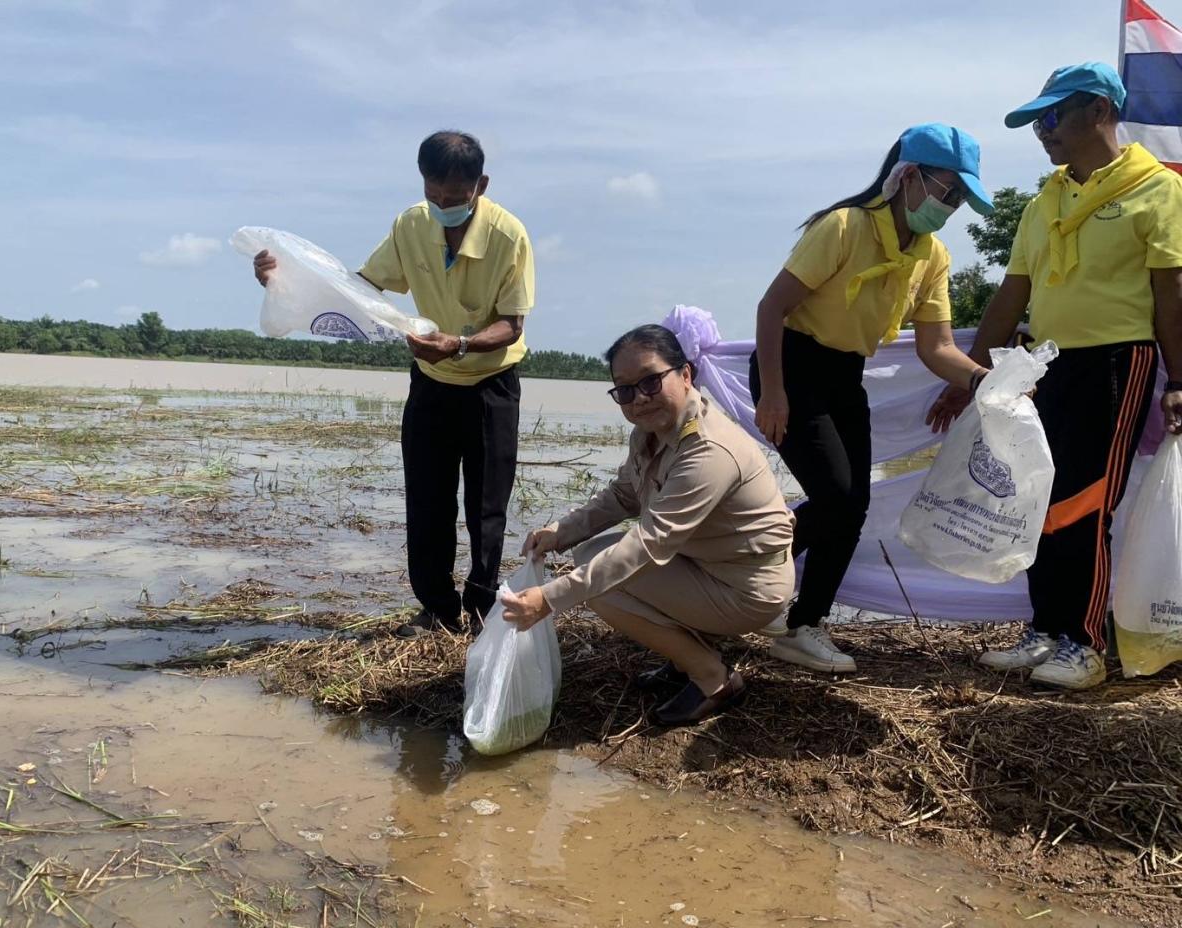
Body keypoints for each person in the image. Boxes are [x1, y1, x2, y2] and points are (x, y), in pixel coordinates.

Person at [928, 64, 1182, 689]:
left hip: (1116, 363)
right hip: (1043, 367)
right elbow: (1012, 295)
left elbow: (1170, 291)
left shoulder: (1159, 190)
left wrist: (1180, 378)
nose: (1042, 134)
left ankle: (1086, 644)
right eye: (1036, 123)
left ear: (1098, 112)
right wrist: (974, 375)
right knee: (1037, 499)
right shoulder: (1046, 199)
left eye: (1050, 118)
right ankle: (1045, 629)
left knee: (1086, 503)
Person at [254, 131, 535, 635]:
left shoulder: (508, 235)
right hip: (430, 382)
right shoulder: (411, 225)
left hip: (490, 384)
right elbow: (361, 287)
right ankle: (437, 609)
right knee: (427, 499)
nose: (444, 205)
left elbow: (512, 325)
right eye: (434, 193)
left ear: (481, 185)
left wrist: (461, 344)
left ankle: (481, 608)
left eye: (456, 196)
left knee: (486, 508)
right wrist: (286, 282)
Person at [750, 123, 996, 673]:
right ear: (908, 176)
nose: (952, 207)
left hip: (842, 374)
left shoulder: (932, 256)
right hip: (790, 362)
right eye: (948, 192)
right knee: (836, 497)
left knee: (851, 506)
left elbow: (938, 348)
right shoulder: (843, 227)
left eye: (961, 198)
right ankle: (749, 573)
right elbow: (772, 308)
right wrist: (773, 393)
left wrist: (983, 380)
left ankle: (800, 624)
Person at [500, 325, 795, 727]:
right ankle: (687, 653)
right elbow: (624, 494)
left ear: (685, 375)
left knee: (603, 586)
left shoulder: (708, 451)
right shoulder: (651, 433)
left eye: (651, 381)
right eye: (625, 390)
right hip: (707, 567)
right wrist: (560, 532)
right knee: (590, 553)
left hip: (746, 586)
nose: (639, 399)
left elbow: (647, 543)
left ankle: (714, 678)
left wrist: (549, 599)